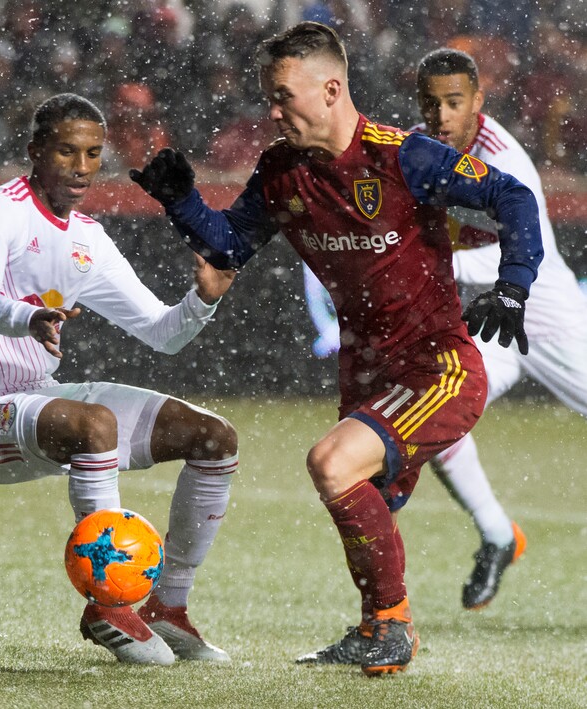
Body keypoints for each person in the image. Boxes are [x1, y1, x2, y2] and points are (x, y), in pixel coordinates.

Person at [129, 22, 543, 676]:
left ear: (330, 89)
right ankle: (376, 624)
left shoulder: (402, 157)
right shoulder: (282, 168)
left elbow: (511, 196)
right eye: (269, 96)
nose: (272, 109)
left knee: (330, 463)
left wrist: (515, 286)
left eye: (283, 95)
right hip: (369, 373)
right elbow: (229, 247)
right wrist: (181, 201)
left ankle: (392, 626)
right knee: (366, 498)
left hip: (437, 366)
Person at [0, 93, 238, 667]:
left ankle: (167, 609)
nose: (80, 166)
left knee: (214, 437)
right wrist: (29, 316)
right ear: (35, 152)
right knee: (95, 423)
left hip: (37, 405)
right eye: (66, 151)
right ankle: (106, 604)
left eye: (93, 153)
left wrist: (202, 299)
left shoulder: (88, 239)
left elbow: (161, 333)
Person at [414, 48, 587, 608]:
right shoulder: (416, 150)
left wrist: (430, 265)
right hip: (483, 313)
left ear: (478, 103)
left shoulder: (503, 158)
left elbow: (522, 250)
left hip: (538, 305)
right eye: (432, 103)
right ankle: (497, 534)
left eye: (454, 103)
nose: (442, 117)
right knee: (435, 419)